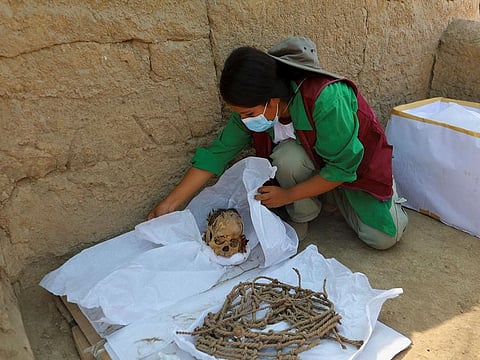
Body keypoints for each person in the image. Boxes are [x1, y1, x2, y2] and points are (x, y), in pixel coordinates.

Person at [147, 36, 408, 249]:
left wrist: (287, 195)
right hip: (317, 167)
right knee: (287, 159)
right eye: (240, 114)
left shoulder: (326, 99)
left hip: (355, 170)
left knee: (383, 239)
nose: (244, 120)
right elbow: (216, 154)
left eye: (248, 113)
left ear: (272, 99)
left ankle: (355, 195)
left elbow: (342, 168)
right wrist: (169, 204)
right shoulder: (253, 109)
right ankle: (305, 214)